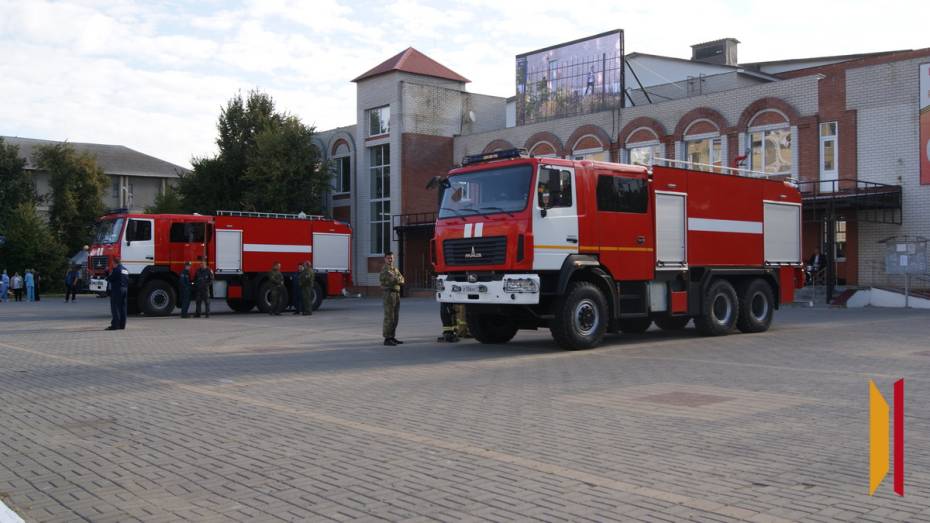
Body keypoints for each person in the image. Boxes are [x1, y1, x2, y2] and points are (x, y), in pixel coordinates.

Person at [379, 252, 405, 346]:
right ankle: (387, 338)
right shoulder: (385, 270)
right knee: (389, 317)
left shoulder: (394, 269)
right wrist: (397, 279)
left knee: (395, 317)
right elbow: (392, 281)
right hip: (389, 294)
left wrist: (397, 279)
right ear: (385, 259)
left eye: (391, 258)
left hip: (396, 294)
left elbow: (402, 279)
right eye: (388, 258)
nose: (390, 260)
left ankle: (392, 336)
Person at [106, 257, 129, 330]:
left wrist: (106, 272)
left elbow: (110, 279)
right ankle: (122, 325)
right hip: (125, 289)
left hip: (117, 290)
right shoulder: (125, 270)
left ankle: (115, 325)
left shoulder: (116, 270)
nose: (112, 264)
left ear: (114, 262)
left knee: (115, 307)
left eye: (112, 262)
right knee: (123, 307)